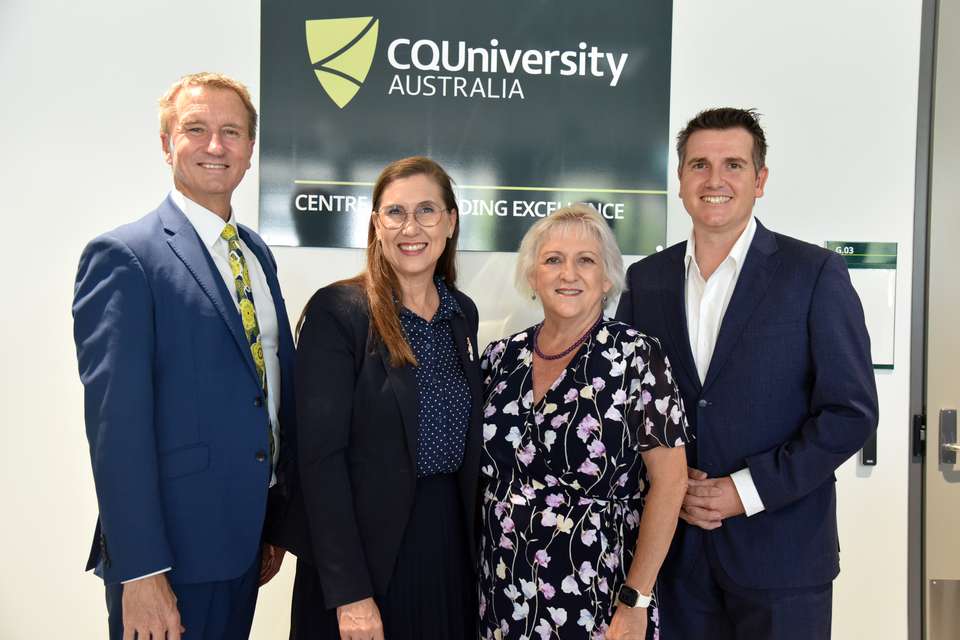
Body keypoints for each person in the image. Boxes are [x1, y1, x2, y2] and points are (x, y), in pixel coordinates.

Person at [616, 107, 879, 639]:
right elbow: (628, 406)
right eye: (699, 165)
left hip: (782, 557)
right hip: (676, 557)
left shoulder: (815, 274)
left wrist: (748, 489)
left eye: (733, 165)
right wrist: (667, 483)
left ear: (760, 181)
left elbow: (851, 412)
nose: (715, 180)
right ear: (681, 178)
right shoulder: (646, 281)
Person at [72, 72, 295, 640]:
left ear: (249, 151)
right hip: (169, 555)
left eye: (232, 132)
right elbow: (115, 428)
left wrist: (272, 519)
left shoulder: (256, 254)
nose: (215, 146)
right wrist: (141, 571)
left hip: (243, 543)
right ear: (167, 143)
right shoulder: (125, 256)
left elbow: (263, 393)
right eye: (196, 129)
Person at [281, 156, 482, 639]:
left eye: (427, 211)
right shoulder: (339, 314)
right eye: (395, 213)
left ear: (451, 222)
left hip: (446, 549)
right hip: (362, 559)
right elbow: (319, 461)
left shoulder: (462, 314)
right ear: (376, 224)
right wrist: (350, 594)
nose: (410, 227)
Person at [478, 204, 691, 640]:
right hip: (501, 591)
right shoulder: (499, 359)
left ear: (607, 278)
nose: (567, 274)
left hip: (600, 596)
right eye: (553, 260)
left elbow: (670, 484)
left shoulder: (637, 357)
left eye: (586, 261)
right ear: (533, 276)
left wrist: (636, 601)